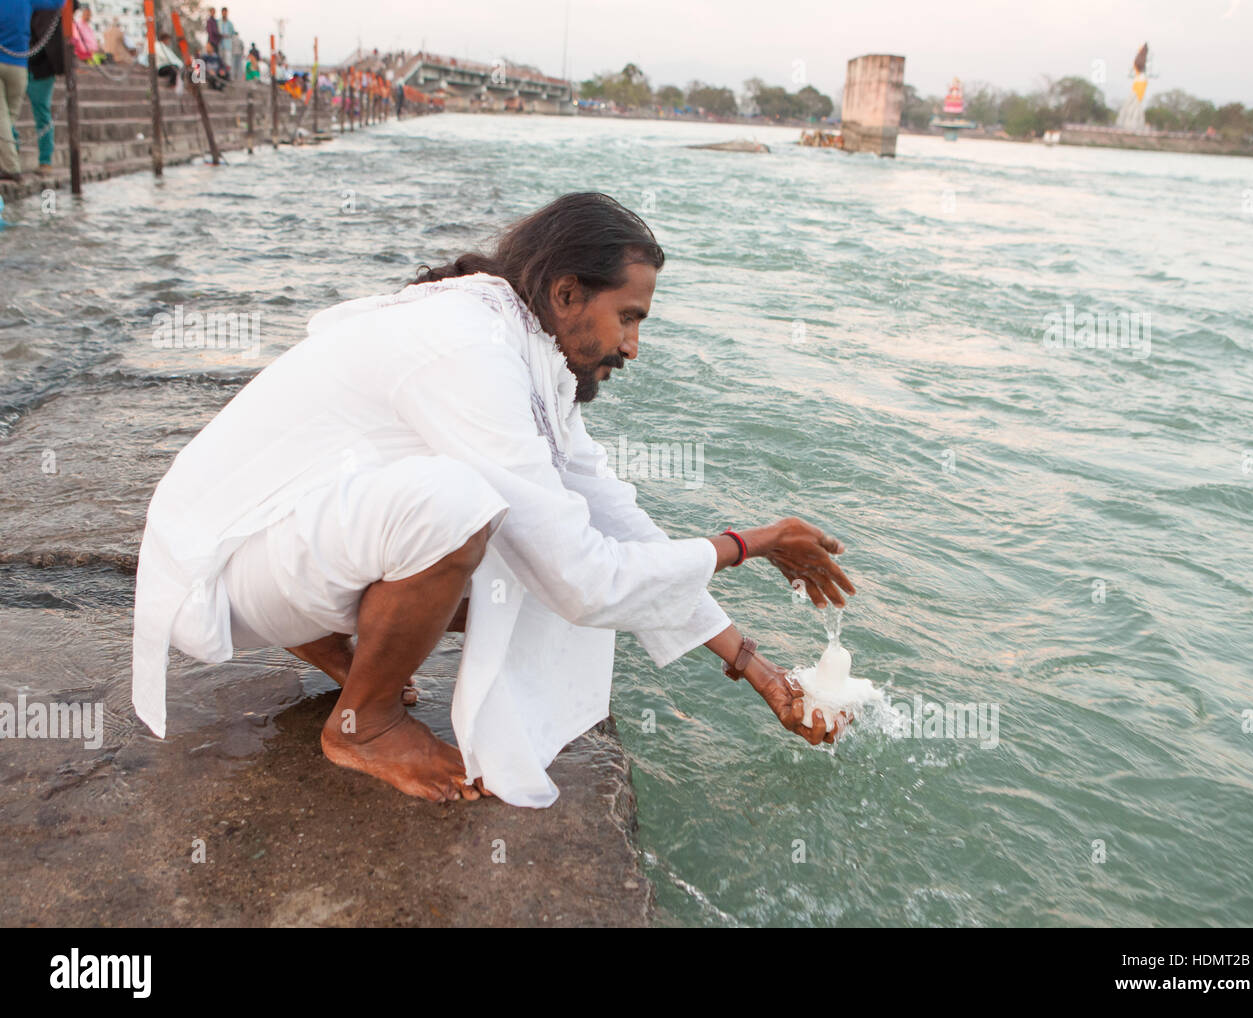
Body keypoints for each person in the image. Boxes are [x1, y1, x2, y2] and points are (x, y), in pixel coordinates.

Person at [130, 193, 855, 808]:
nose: (632, 347)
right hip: (218, 570)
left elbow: (617, 524)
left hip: (275, 545)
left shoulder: (527, 353)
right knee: (461, 509)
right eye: (628, 317)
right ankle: (365, 722)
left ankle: (339, 649)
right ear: (567, 294)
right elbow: (582, 580)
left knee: (532, 546)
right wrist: (746, 544)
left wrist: (756, 669)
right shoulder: (470, 348)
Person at [0, 0, 64, 183]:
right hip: (20, 67)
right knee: (8, 118)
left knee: (4, 119)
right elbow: (58, 2)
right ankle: (6, 161)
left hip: (19, 63)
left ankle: (11, 167)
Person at [24, 1, 64, 178]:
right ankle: (11, 157)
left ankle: (45, 160)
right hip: (18, 61)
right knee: (7, 114)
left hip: (42, 65)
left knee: (42, 112)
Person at [217, 6, 234, 74]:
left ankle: (228, 74)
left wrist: (227, 35)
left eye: (225, 12)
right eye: (223, 12)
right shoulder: (218, 22)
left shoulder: (230, 23)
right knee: (220, 59)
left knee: (228, 60)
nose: (224, 13)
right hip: (220, 43)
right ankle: (220, 73)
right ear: (222, 13)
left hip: (227, 44)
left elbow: (232, 33)